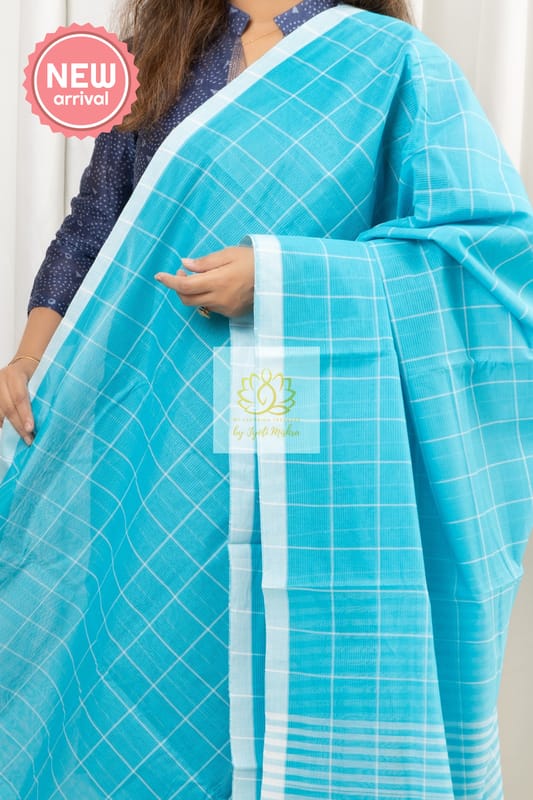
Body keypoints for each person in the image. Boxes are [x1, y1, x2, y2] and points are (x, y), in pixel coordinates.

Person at [0, 1, 532, 798]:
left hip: (296, 407)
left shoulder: (390, 62)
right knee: (142, 640)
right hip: (146, 411)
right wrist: (27, 358)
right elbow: (94, 226)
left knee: (267, 622)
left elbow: (487, 260)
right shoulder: (157, 54)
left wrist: (284, 276)